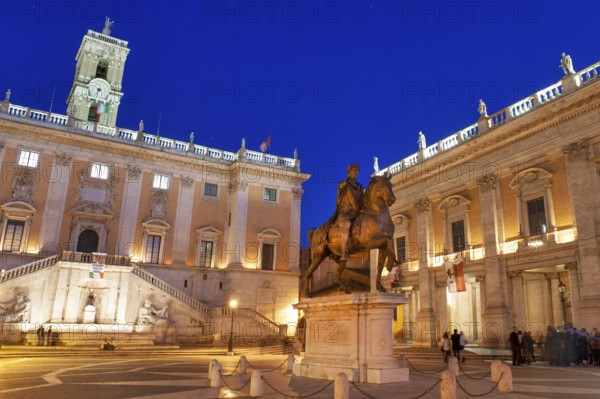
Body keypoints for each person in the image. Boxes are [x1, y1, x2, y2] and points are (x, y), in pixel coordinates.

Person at [334, 164, 364, 261]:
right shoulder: (343, 184)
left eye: (358, 171)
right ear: (349, 172)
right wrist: (347, 181)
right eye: (354, 171)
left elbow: (363, 199)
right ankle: (344, 251)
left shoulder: (359, 186)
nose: (357, 173)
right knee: (346, 223)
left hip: (358, 212)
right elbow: (340, 186)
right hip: (346, 212)